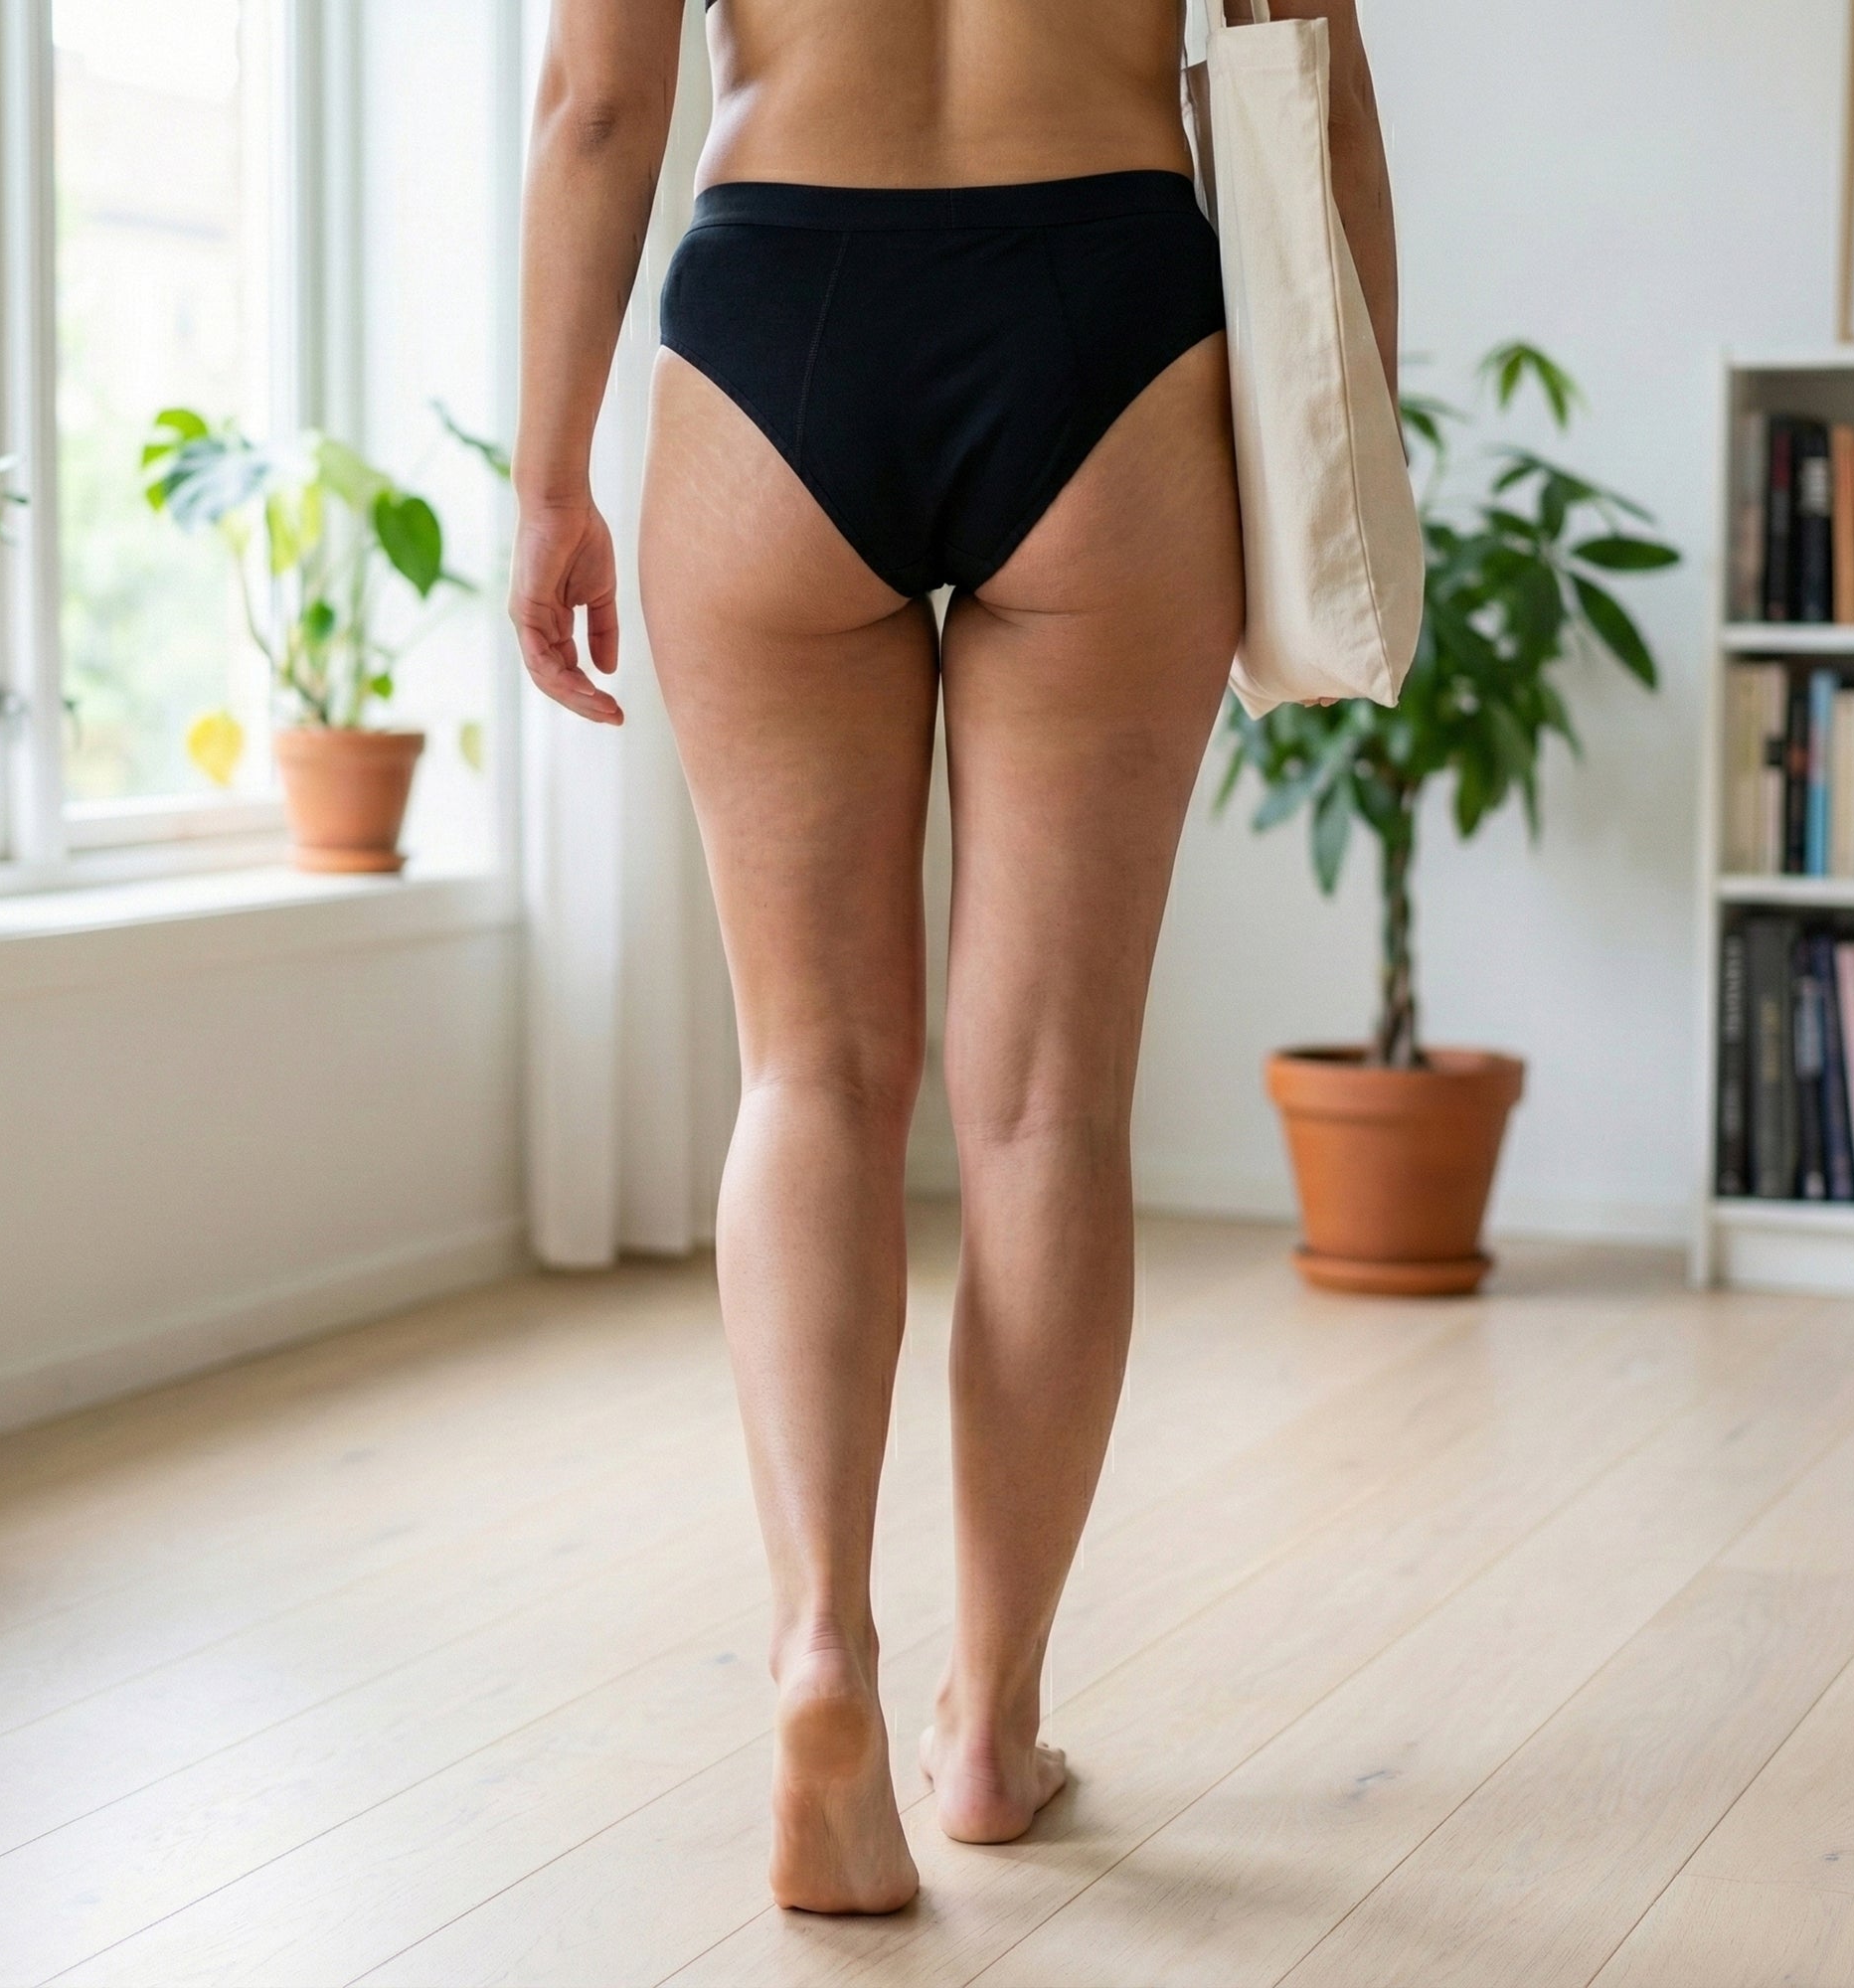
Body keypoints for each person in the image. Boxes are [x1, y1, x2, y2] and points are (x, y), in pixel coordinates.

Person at [511, 0, 1397, 1917]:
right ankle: (991, 1726)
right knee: (1047, 1109)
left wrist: (546, 477)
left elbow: (599, 103)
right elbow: (1309, 97)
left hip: (777, 316)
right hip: (1111, 312)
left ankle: (822, 1646)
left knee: (808, 1072)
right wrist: (1339, 468)